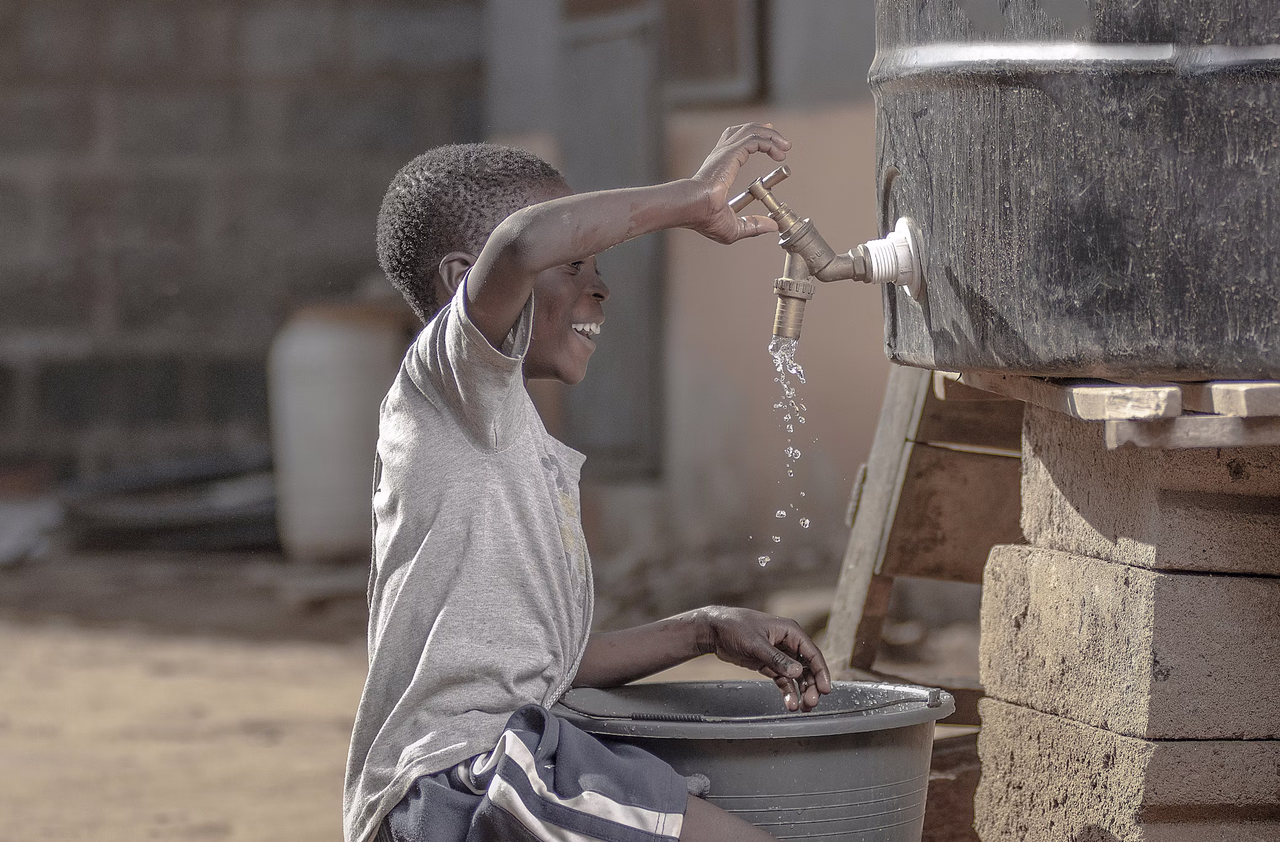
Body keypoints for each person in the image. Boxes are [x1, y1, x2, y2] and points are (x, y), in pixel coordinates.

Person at [344, 124, 832, 842]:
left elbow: (548, 665)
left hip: (478, 779)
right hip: (468, 778)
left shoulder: (505, 437)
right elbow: (517, 244)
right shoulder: (448, 380)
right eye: (571, 266)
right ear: (461, 283)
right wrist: (690, 200)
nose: (599, 287)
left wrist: (704, 628)